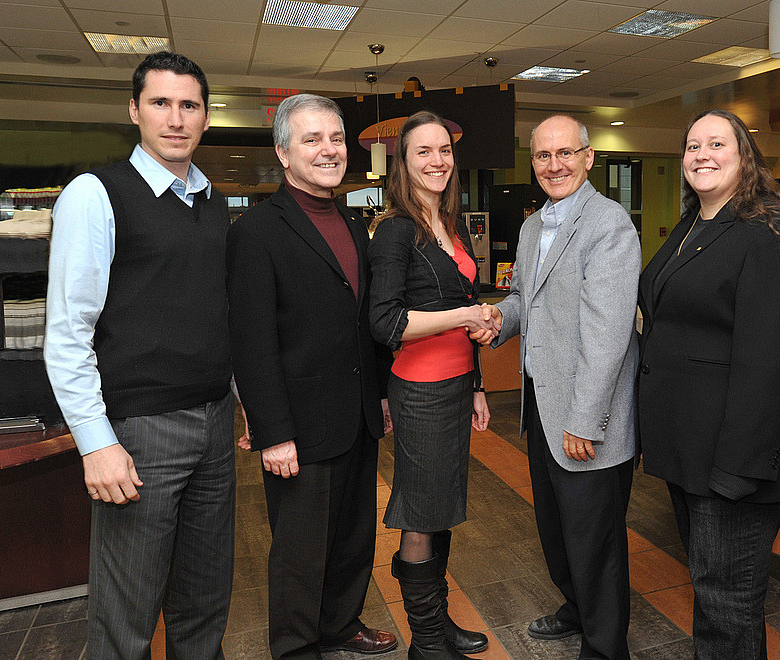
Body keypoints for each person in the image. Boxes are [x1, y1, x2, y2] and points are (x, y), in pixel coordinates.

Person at [45, 52, 234, 658]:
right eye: (160, 103)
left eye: (189, 105)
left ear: (206, 118)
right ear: (134, 110)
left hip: (214, 424)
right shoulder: (95, 195)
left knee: (203, 606)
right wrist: (96, 442)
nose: (175, 118)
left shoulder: (213, 202)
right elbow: (68, 331)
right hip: (139, 433)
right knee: (126, 619)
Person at [637, 109, 780, 659]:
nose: (702, 155)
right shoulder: (696, 223)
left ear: (746, 156)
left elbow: (772, 365)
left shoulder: (772, 232)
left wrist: (737, 466)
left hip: (735, 458)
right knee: (715, 593)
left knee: (727, 603)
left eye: (717, 144)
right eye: (692, 145)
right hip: (690, 448)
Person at [226, 93, 397, 660]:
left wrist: (382, 395)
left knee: (353, 539)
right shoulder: (257, 231)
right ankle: (297, 647)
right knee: (300, 551)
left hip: (357, 414)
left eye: (336, 139)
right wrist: (273, 432)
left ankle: (340, 626)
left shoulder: (351, 220)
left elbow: (362, 323)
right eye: (312, 139)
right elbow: (252, 343)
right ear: (283, 151)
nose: (329, 151)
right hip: (298, 425)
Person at [482, 114, 640, 660]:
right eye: (544, 156)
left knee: (595, 545)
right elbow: (528, 298)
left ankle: (604, 646)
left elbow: (607, 334)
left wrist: (584, 418)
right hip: (542, 409)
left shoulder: (610, 225)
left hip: (583, 419)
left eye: (566, 154)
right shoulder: (532, 227)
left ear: (588, 157)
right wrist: (498, 319)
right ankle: (577, 608)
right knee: (558, 534)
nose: (555, 165)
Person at [368, 110, 497, 660]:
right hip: (419, 392)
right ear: (405, 161)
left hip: (452, 386)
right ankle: (425, 641)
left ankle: (438, 624)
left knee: (441, 510)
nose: (437, 160)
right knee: (421, 512)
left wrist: (476, 384)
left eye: (444, 150)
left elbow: (461, 306)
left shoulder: (452, 222)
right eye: (424, 151)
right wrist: (464, 318)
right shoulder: (396, 228)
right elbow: (387, 321)